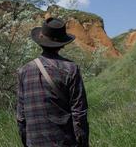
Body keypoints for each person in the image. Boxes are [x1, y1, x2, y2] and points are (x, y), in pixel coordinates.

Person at [16, 17, 89, 147]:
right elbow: (79, 114)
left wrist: (26, 141)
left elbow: (21, 117)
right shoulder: (71, 69)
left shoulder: (23, 71)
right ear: (62, 44)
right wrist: (83, 143)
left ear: (40, 41)